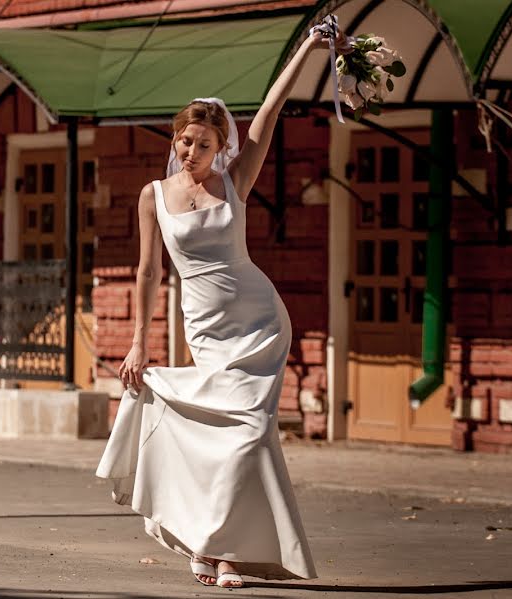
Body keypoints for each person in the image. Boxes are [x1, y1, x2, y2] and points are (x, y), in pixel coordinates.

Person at [95, 27, 338, 587]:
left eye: (205, 145)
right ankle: (211, 545)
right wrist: (139, 341)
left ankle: (225, 553)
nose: (194, 153)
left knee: (250, 433)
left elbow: (271, 110)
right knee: (216, 436)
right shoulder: (152, 196)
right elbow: (149, 270)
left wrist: (306, 46)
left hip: (258, 322)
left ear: (219, 147)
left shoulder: (235, 181)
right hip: (205, 328)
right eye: (186, 142)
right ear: (175, 139)